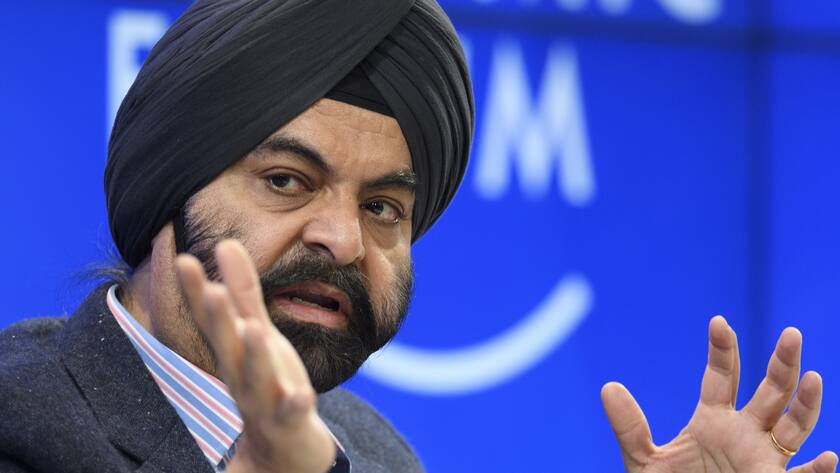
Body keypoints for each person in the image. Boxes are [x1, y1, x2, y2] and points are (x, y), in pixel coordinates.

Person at [0, 1, 835, 472]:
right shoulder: (21, 423)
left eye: (384, 208)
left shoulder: (373, 450)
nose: (339, 237)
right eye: (287, 181)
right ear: (162, 190)